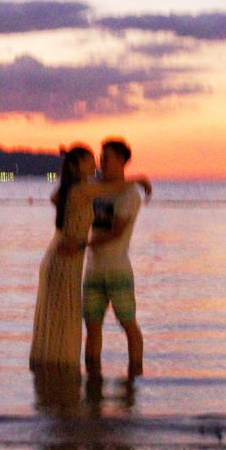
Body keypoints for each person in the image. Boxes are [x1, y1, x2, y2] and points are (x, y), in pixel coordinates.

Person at [83, 137, 146, 378]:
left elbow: (116, 230)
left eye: (106, 158)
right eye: (101, 157)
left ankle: (135, 375)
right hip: (93, 269)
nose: (102, 162)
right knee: (92, 326)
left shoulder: (129, 195)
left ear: (121, 161)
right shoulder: (97, 187)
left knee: (128, 324)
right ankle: (92, 377)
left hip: (117, 269)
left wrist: (84, 243)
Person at [30, 146, 95, 372]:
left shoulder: (68, 190)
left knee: (56, 320)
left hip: (55, 258)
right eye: (90, 161)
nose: (95, 165)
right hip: (64, 261)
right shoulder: (81, 190)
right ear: (76, 166)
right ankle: (61, 377)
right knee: (63, 321)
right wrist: (139, 180)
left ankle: (50, 378)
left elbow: (54, 197)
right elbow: (114, 187)